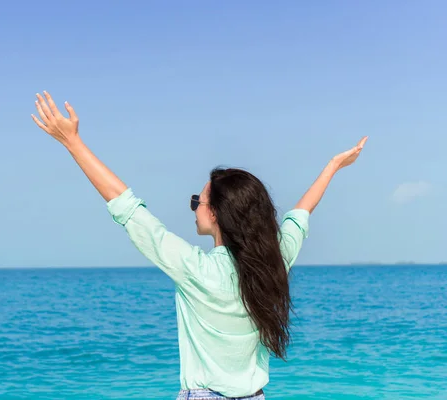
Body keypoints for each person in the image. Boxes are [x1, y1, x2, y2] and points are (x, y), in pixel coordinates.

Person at [31, 91, 367, 400]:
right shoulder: (273, 260)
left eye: (198, 201)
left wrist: (72, 143)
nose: (193, 207)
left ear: (218, 214)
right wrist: (333, 167)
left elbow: (128, 209)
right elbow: (300, 215)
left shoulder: (196, 269)